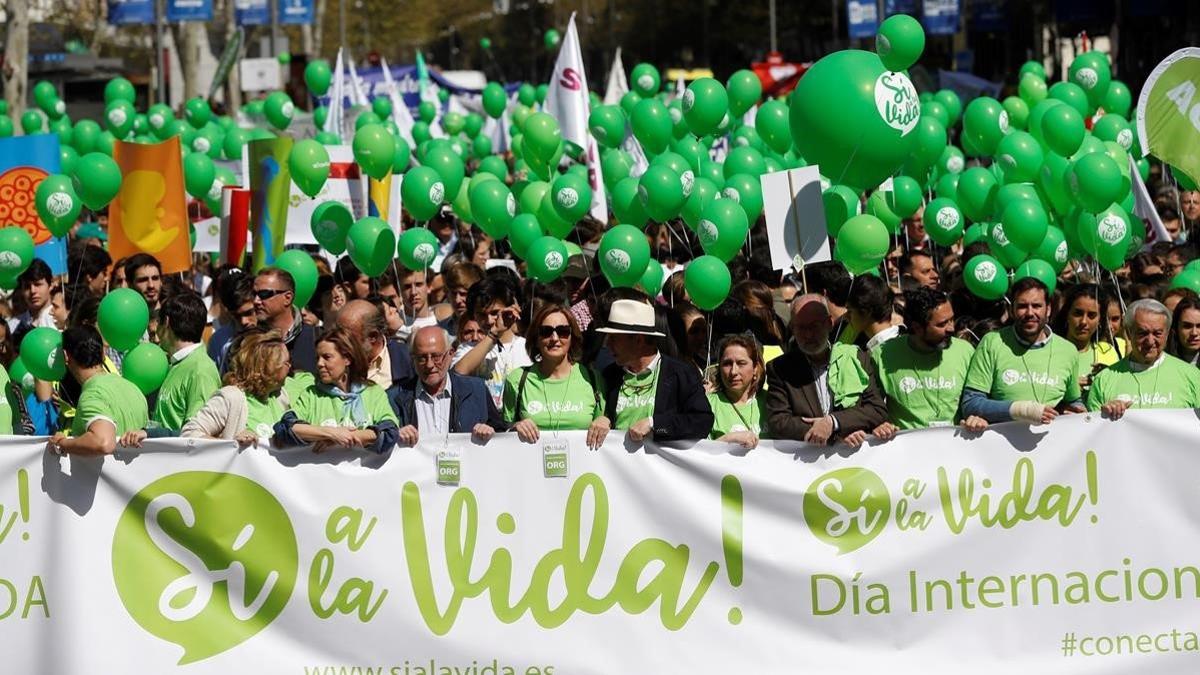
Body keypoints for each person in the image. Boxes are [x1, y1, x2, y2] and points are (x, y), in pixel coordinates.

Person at [857, 287, 986, 441]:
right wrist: (878, 425)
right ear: (917, 327)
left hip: (955, 449)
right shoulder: (882, 356)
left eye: (951, 319)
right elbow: (870, 407)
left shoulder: (965, 351)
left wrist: (976, 418)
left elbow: (976, 400)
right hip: (909, 453)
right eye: (942, 324)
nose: (951, 328)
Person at [764, 294, 887, 445]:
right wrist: (829, 432)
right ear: (793, 328)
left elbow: (876, 410)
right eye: (801, 328)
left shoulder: (856, 358)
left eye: (814, 326)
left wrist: (834, 423)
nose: (808, 335)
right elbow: (779, 423)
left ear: (829, 323)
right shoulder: (780, 368)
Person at [961, 277, 1085, 425]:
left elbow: (1074, 401)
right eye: (1022, 306)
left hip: (1052, 445)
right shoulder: (992, 342)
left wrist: (1078, 411)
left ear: (1049, 309)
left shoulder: (1068, 350)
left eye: (1037, 306)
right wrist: (1021, 410)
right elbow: (971, 403)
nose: (1030, 313)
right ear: (1011, 310)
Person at [596, 298, 713, 442]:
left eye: (614, 338)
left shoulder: (680, 373)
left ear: (638, 340)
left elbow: (702, 422)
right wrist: (603, 419)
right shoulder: (610, 375)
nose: (608, 344)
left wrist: (655, 424)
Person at [276, 327, 400, 453]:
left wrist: (348, 437)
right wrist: (330, 433)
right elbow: (286, 427)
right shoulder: (311, 394)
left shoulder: (373, 392)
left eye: (327, 357)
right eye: (317, 358)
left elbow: (390, 431)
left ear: (347, 359)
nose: (319, 363)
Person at [503, 304, 609, 447]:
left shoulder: (593, 379)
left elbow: (601, 428)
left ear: (573, 337)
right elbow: (504, 430)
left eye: (563, 331)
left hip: (584, 466)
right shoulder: (517, 379)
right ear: (536, 338)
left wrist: (605, 420)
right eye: (546, 331)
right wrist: (515, 426)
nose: (554, 338)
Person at [177, 329, 292, 446]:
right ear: (267, 367)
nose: (290, 366)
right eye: (286, 362)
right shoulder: (231, 397)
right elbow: (189, 434)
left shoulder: (280, 397)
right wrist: (231, 444)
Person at [1087, 299, 1200, 417]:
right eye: (1143, 333)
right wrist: (1104, 415)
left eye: (1157, 333)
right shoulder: (1104, 380)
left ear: (1167, 334)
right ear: (1129, 333)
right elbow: (1093, 429)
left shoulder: (1192, 376)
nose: (1150, 341)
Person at [392, 326, 504, 444]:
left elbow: (502, 434)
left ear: (451, 354)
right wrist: (394, 436)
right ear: (412, 359)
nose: (429, 365)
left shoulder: (476, 391)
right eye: (422, 358)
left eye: (436, 357)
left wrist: (490, 431)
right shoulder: (395, 398)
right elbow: (381, 440)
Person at [47, 326, 148, 456]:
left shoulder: (92, 395)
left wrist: (63, 443)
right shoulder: (132, 387)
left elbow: (103, 442)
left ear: (66, 356)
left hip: (104, 475)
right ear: (103, 354)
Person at [453, 275, 531, 407]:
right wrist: (493, 335)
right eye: (482, 314)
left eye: (495, 313)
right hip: (484, 424)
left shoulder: (526, 347)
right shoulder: (468, 349)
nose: (489, 321)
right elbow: (458, 373)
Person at [151, 291, 222, 432]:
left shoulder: (201, 370)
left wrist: (150, 434)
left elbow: (198, 435)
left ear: (166, 322)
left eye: (158, 322)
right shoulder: (176, 363)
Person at [334, 299, 416, 407]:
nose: (340, 343)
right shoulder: (333, 363)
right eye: (337, 334)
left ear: (372, 337)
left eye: (349, 338)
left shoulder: (408, 360)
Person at [1052, 284, 1122, 397]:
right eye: (1078, 313)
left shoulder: (1109, 353)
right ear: (1067, 314)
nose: (1084, 321)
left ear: (1100, 320)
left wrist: (1106, 379)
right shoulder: (1050, 350)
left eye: (1092, 315)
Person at [706, 334, 769, 449]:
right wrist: (728, 439)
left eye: (741, 363)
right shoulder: (707, 404)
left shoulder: (771, 402)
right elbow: (699, 453)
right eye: (727, 364)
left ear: (755, 368)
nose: (733, 371)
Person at [254, 266, 317, 377]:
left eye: (264, 294)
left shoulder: (315, 338)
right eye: (253, 294)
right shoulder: (248, 341)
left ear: (287, 298)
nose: (256, 301)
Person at [845, 273, 901, 352]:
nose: (846, 316)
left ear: (866, 312)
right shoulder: (896, 341)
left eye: (850, 311)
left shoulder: (890, 349)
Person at [8, 259, 54, 332]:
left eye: (37, 284)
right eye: (27, 287)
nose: (32, 291)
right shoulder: (12, 326)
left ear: (51, 285)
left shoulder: (61, 323)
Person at [397, 267, 440, 343]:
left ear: (429, 286)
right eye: (407, 287)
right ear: (399, 290)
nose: (413, 292)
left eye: (418, 284)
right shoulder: (393, 323)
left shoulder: (441, 322)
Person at [1168, 295, 1200, 365]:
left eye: (1199, 326)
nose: (1194, 333)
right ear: (1176, 327)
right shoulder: (1161, 360)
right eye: (1187, 326)